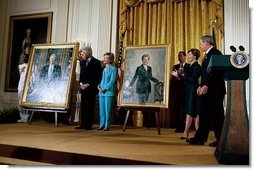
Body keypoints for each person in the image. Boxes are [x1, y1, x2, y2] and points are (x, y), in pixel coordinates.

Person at [186, 35, 226, 146]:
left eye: (201, 43)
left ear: (207, 42)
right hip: (206, 90)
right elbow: (205, 74)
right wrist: (201, 85)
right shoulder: (207, 55)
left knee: (217, 116)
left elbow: (216, 72)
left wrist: (206, 85)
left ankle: (221, 141)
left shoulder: (216, 53)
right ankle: (199, 138)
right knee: (203, 114)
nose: (200, 45)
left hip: (215, 90)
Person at [172, 49, 201, 139]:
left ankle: (191, 133)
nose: (187, 56)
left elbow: (192, 79)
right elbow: (184, 78)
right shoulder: (189, 66)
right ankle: (191, 133)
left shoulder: (197, 66)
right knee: (191, 112)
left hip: (192, 90)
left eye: (189, 55)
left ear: (195, 56)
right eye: (187, 54)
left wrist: (183, 75)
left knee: (192, 112)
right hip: (188, 90)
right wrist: (177, 75)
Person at [75, 46, 102, 130]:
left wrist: (88, 84)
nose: (82, 55)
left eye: (83, 53)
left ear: (88, 53)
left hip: (91, 89)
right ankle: (83, 124)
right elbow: (81, 75)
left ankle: (88, 125)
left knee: (90, 107)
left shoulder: (96, 62)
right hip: (83, 88)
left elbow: (97, 77)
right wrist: (81, 83)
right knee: (83, 106)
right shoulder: (83, 62)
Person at [170, 51, 189, 132]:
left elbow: (189, 78)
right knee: (177, 109)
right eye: (178, 55)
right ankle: (178, 126)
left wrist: (180, 75)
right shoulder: (175, 66)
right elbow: (173, 79)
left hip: (186, 91)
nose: (179, 57)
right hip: (177, 91)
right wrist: (175, 76)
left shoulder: (189, 66)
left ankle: (185, 127)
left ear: (185, 56)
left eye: (180, 55)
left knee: (185, 109)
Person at [97, 52, 117, 131]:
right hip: (101, 92)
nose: (104, 59)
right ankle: (101, 125)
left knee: (107, 110)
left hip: (108, 92)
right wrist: (99, 86)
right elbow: (102, 80)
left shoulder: (113, 69)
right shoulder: (103, 69)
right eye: (104, 57)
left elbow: (112, 80)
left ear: (110, 59)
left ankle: (107, 125)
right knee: (101, 110)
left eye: (106, 58)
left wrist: (105, 88)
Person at [17, 54, 29, 123]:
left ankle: (26, 117)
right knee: (20, 101)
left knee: (25, 101)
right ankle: (22, 116)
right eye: (23, 57)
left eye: (26, 57)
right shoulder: (20, 66)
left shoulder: (32, 65)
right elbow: (21, 76)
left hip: (27, 85)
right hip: (21, 85)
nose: (24, 58)